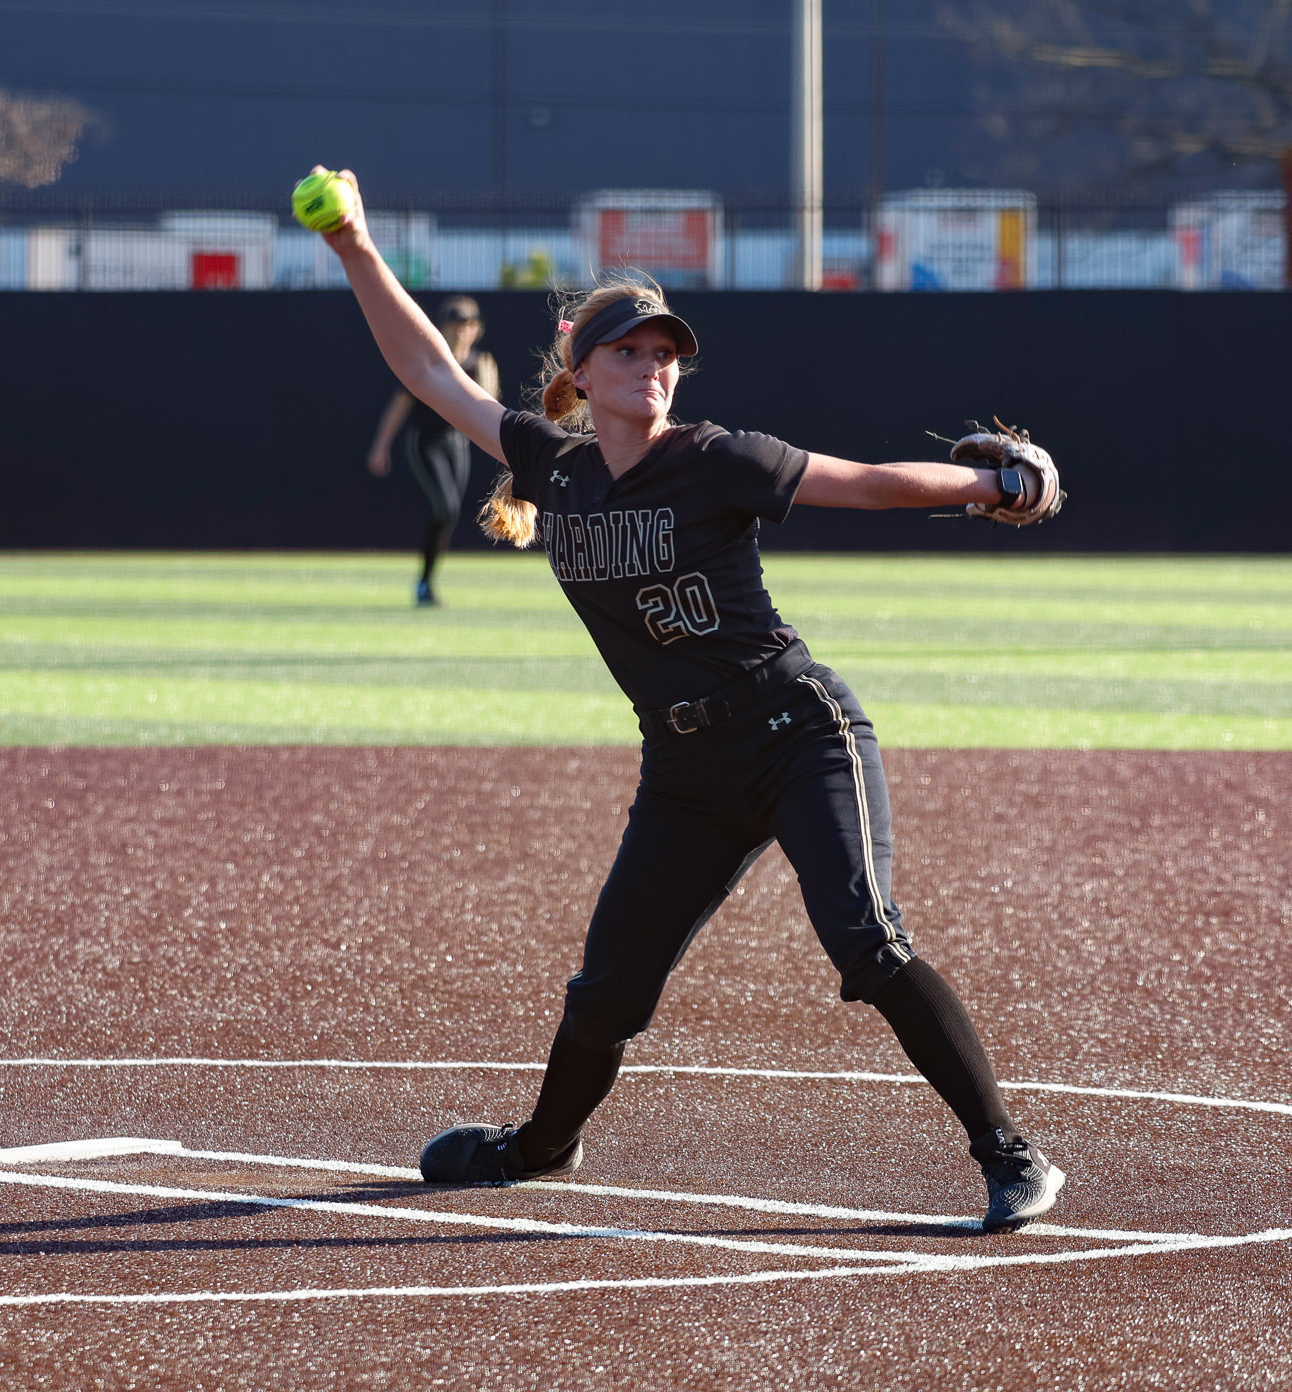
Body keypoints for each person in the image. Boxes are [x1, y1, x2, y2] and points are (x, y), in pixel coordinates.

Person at [309, 166, 1065, 1232]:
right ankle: (540, 1146)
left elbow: (864, 482)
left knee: (864, 937)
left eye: (666, 354)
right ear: (581, 365)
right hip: (684, 772)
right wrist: (353, 244)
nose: (654, 368)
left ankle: (1010, 1155)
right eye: (630, 350)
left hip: (797, 733)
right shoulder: (551, 463)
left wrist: (993, 485)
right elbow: (433, 375)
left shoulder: (716, 460)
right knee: (608, 988)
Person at [366, 295, 501, 606]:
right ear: (443, 327)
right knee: (446, 508)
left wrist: (489, 390)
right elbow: (399, 406)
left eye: (468, 324)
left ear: (477, 329)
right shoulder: (431, 363)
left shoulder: (479, 363)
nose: (462, 330)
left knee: (448, 515)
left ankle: (427, 583)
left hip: (458, 444)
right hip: (427, 442)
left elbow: (487, 409)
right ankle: (424, 583)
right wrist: (381, 446)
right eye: (456, 324)